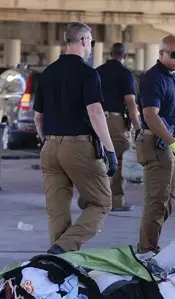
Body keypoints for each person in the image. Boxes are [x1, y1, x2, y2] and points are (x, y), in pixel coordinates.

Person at [33, 22, 118, 255]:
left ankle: (59, 264)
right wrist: (110, 151)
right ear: (83, 41)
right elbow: (95, 112)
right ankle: (62, 249)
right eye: (90, 40)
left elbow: (38, 118)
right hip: (78, 146)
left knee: (57, 211)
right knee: (101, 203)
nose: (90, 45)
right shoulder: (88, 74)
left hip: (49, 146)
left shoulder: (47, 73)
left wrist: (47, 142)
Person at [136, 35, 175, 254]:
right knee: (157, 201)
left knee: (169, 199)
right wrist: (173, 143)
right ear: (161, 54)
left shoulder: (169, 77)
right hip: (157, 144)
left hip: (167, 144)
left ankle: (148, 244)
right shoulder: (154, 78)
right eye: (174, 54)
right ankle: (147, 250)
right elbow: (150, 115)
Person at [94, 42, 141, 212]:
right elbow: (130, 103)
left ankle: (91, 198)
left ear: (110, 53)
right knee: (119, 160)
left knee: (97, 158)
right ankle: (116, 201)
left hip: (96, 119)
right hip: (116, 122)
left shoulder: (97, 72)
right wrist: (137, 127)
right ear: (125, 55)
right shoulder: (125, 74)